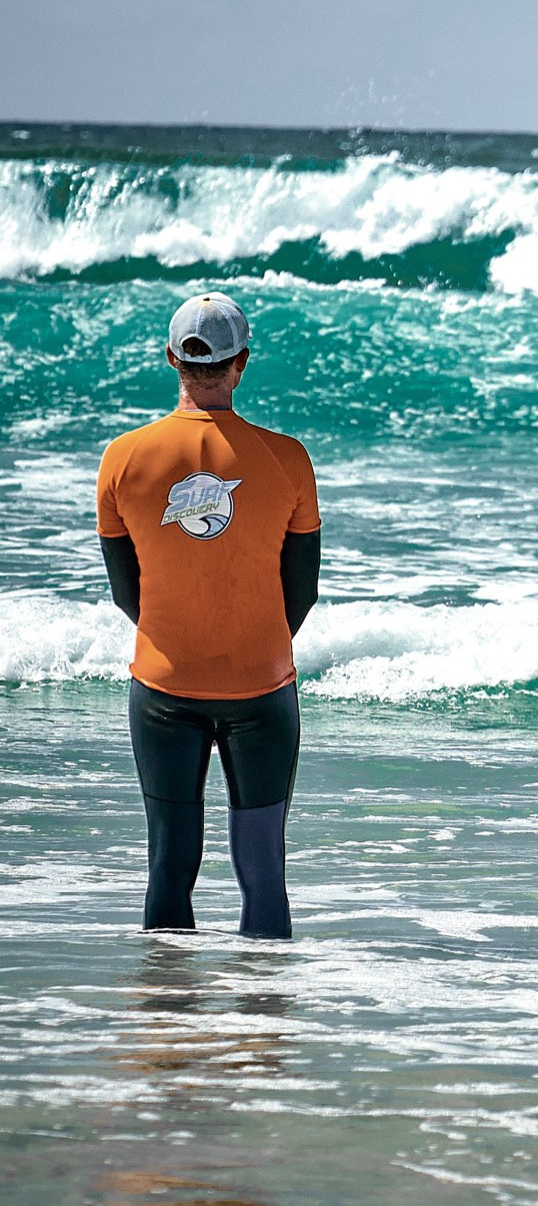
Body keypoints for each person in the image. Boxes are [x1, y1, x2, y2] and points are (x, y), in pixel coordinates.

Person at [96, 293, 321, 938]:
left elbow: (125, 592)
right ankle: (261, 1026)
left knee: (168, 868)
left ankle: (168, 1027)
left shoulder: (123, 460)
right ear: (241, 363)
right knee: (263, 874)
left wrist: (182, 641)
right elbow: (300, 592)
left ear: (173, 360)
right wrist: (249, 645)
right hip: (262, 691)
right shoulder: (288, 460)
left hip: (164, 692)